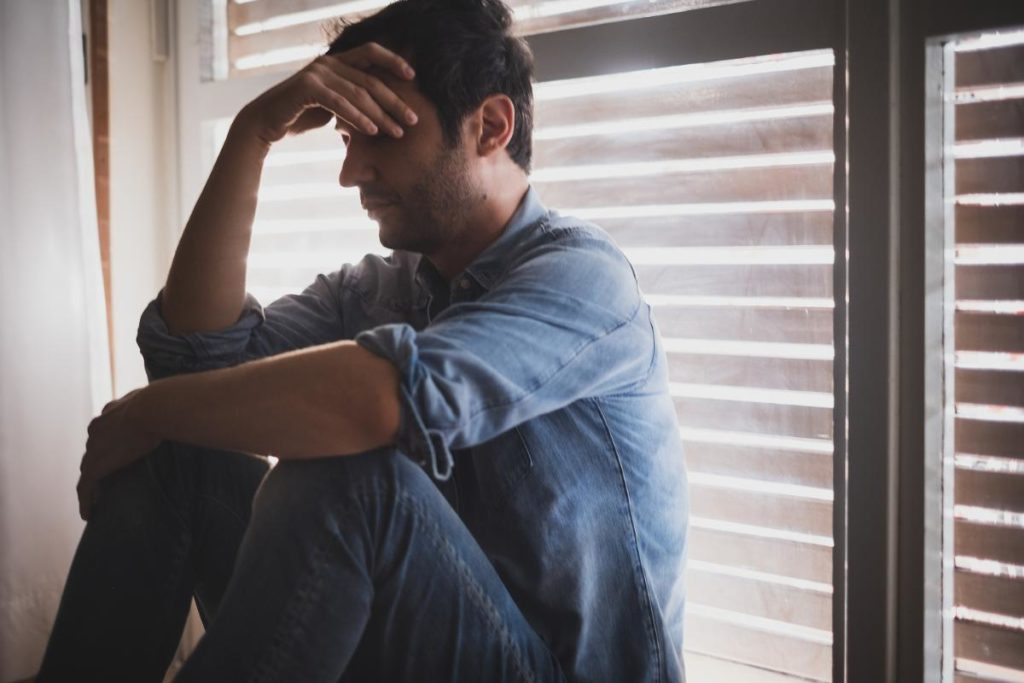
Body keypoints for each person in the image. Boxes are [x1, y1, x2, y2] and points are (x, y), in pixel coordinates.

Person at [37, 0, 688, 680]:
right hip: (412, 642)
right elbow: (190, 361)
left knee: (351, 474)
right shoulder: (382, 288)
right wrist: (252, 133)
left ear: (490, 127)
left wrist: (144, 410)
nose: (350, 173)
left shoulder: (584, 278)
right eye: (348, 137)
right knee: (183, 450)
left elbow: (381, 402)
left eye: (380, 132)